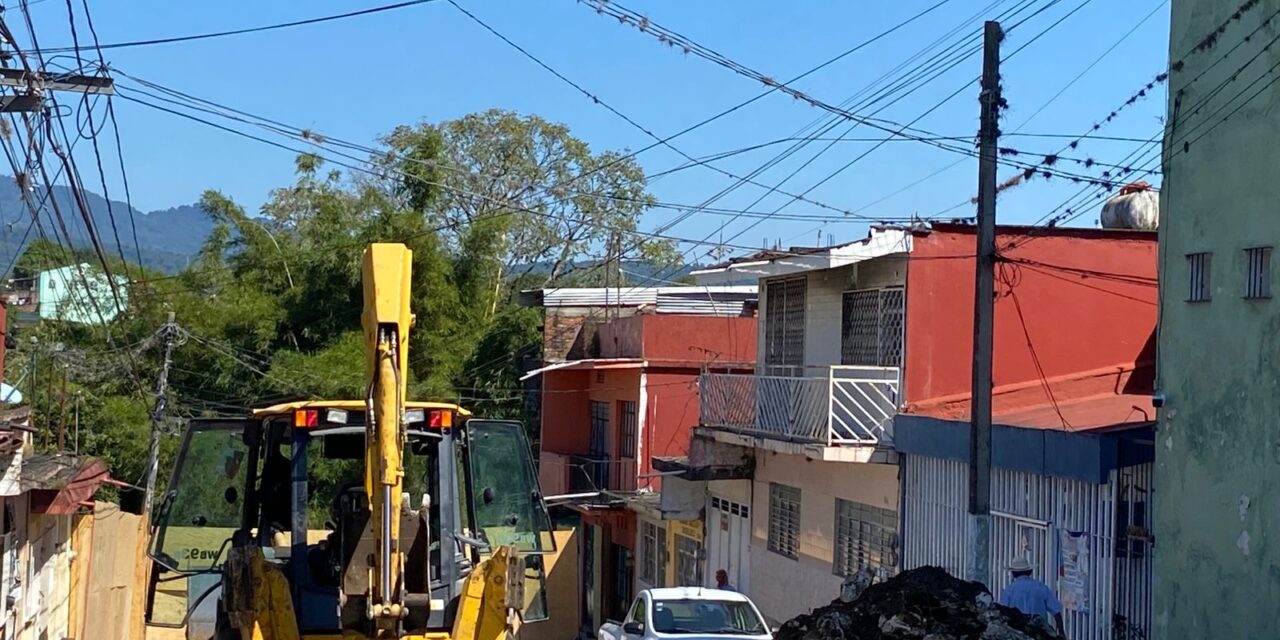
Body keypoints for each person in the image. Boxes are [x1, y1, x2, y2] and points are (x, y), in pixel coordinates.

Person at [998, 558, 1065, 637]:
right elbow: (1056, 611)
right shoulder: (1040, 587)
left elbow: (1002, 613)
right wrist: (1061, 632)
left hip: (1016, 633)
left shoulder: (1009, 590)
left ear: (1013, 573)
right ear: (1030, 572)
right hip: (1039, 633)